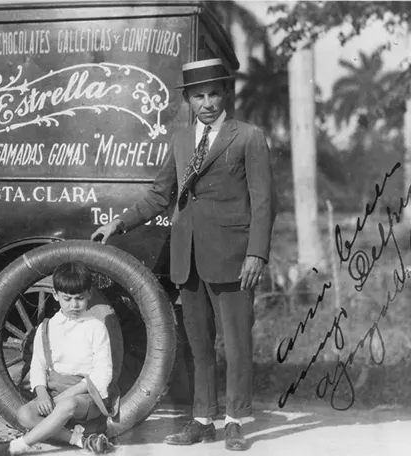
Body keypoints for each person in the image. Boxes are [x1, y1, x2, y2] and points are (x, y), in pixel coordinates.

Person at [91, 58, 276, 452]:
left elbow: (264, 202)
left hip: (233, 256)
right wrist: (119, 224)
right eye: (198, 96)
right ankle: (203, 419)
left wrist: (256, 254)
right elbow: (161, 194)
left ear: (224, 94)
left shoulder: (247, 136)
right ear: (189, 100)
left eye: (213, 94)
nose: (207, 103)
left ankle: (236, 422)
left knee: (237, 342)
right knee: (198, 343)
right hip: (186, 257)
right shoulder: (179, 139)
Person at [0, 262, 115, 455]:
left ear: (89, 294)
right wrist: (42, 392)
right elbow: (38, 364)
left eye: (79, 298)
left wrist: (66, 396)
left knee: (67, 405)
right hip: (55, 391)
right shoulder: (47, 327)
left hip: (87, 395)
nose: (73, 305)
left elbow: (103, 373)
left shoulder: (96, 328)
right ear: (55, 295)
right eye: (67, 298)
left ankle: (17, 447)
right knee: (24, 414)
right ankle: (78, 439)